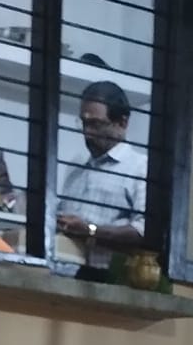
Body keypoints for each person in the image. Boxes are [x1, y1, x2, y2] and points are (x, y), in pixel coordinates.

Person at [56, 81, 146, 274]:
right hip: (65, 275)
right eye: (84, 123)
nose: (87, 133)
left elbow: (143, 232)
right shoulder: (75, 168)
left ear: (122, 123)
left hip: (109, 279)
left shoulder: (140, 168)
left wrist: (89, 231)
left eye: (96, 124)